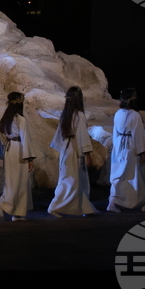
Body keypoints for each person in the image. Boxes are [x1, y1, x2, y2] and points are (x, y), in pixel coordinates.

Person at [48, 87, 97, 217]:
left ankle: (84, 208)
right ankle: (55, 206)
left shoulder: (65, 114)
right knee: (71, 180)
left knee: (72, 179)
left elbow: (59, 135)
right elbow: (82, 135)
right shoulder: (79, 115)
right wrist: (87, 154)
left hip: (66, 148)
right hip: (74, 149)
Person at [107, 89, 145, 213]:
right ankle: (141, 203)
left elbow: (115, 132)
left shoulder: (118, 113)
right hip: (129, 149)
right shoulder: (135, 115)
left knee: (119, 175)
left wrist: (116, 148)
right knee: (133, 176)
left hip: (119, 148)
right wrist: (142, 152)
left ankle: (116, 202)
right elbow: (138, 135)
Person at [0, 92, 36, 221]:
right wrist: (29, 158)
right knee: (21, 181)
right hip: (19, 149)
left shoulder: (5, 120)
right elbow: (25, 138)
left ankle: (17, 212)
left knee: (11, 180)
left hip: (9, 150)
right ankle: (4, 204)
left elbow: (1, 138)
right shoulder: (20, 119)